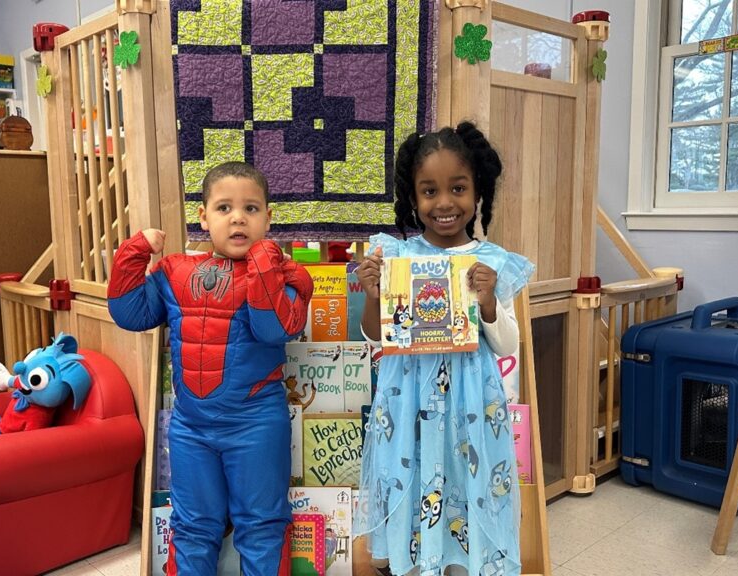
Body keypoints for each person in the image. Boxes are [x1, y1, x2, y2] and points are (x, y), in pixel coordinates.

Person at [107, 161, 313, 575]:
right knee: (193, 526)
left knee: (262, 526)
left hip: (255, 423)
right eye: (224, 208)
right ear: (202, 216)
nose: (238, 217)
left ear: (268, 218)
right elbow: (130, 313)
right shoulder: (174, 271)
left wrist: (263, 265)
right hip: (192, 427)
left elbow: (272, 329)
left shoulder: (285, 273)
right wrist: (135, 251)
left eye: (251, 209)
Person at [353, 122, 534, 576]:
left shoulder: (491, 261)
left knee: (467, 485)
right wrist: (374, 294)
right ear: (413, 199)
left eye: (458, 188)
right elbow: (375, 337)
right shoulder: (393, 256)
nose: (445, 203)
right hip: (408, 405)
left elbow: (508, 344)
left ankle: (459, 565)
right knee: (412, 487)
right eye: (429, 191)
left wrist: (489, 301)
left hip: (470, 406)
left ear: (478, 193)